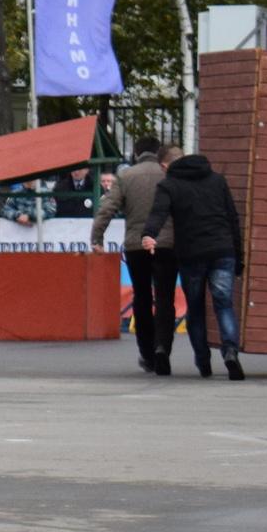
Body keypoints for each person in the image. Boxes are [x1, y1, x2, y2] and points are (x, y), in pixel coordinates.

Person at [140, 152, 247, 381]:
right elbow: (232, 218)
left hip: (191, 254)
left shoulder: (169, 184)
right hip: (222, 250)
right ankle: (229, 351)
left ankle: (203, 361)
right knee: (224, 304)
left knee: (196, 309)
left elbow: (158, 213)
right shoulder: (218, 180)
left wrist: (149, 234)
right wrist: (238, 255)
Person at [93, 137, 176, 374]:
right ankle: (162, 347)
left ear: (137, 155)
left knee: (141, 297)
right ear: (158, 152)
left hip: (136, 245)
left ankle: (147, 354)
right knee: (164, 297)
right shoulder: (167, 174)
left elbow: (107, 208)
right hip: (166, 244)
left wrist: (97, 237)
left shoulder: (126, 176)